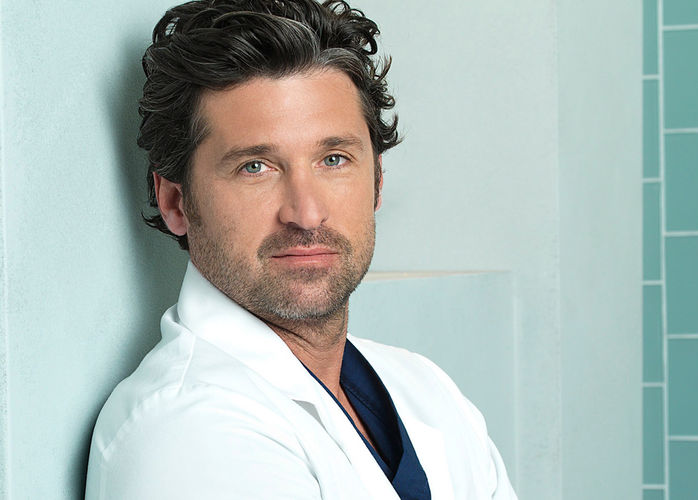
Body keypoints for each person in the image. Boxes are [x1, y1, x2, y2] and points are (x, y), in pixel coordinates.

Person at [85, 1, 517, 498]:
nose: (306, 213)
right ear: (176, 202)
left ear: (377, 182)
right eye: (255, 167)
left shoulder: (425, 389)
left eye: (334, 159)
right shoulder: (187, 431)